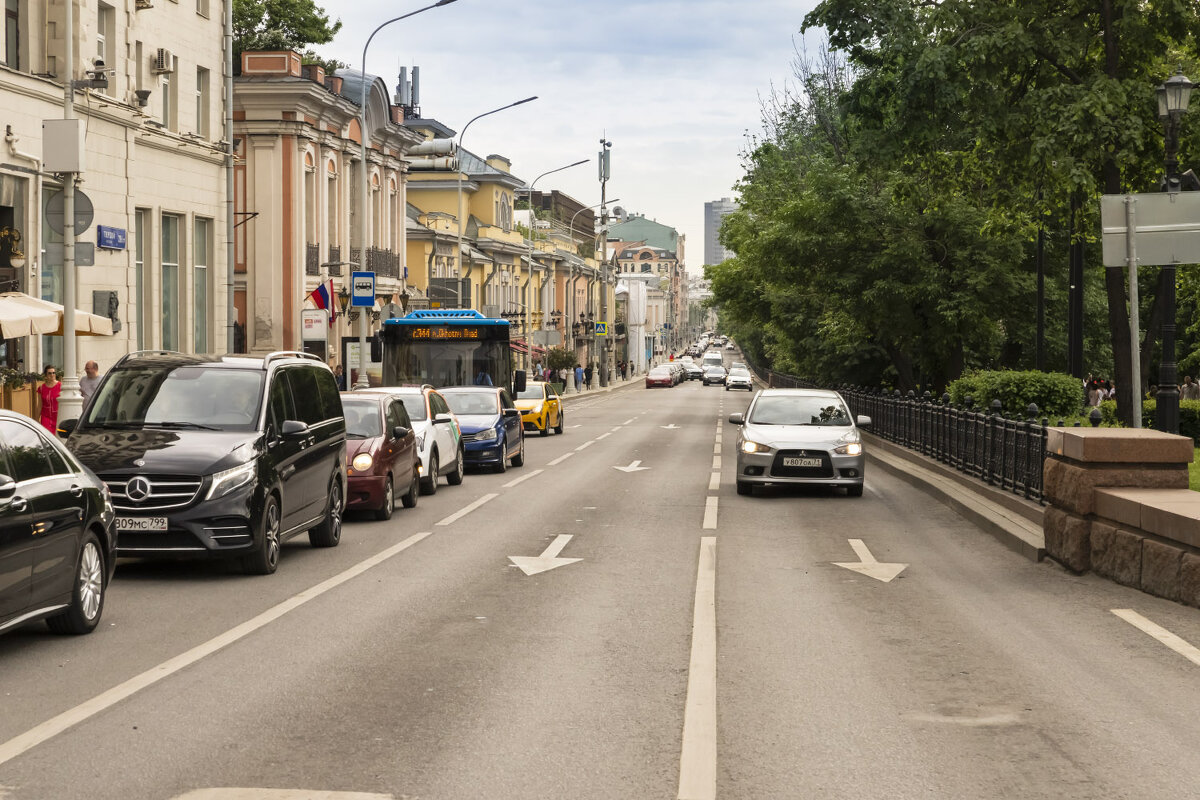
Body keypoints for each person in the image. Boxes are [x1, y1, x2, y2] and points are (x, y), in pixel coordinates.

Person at [35, 365, 61, 434]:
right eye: (49, 373)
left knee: (57, 436)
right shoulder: (41, 388)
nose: (52, 375)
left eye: (53, 373)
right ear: (46, 375)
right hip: (45, 417)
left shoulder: (61, 386)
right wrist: (36, 419)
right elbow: (39, 405)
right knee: (47, 435)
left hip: (57, 417)